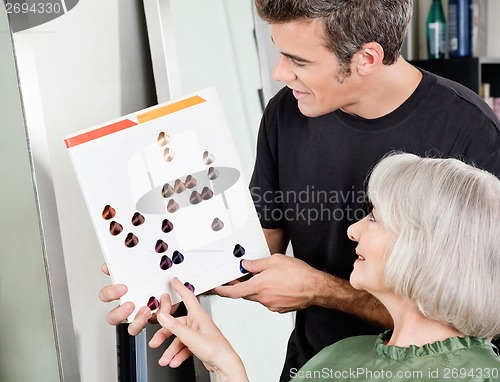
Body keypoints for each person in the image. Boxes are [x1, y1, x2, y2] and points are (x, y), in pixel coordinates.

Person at [99, 0, 500, 379]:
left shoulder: (471, 135)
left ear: (367, 58)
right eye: (281, 52)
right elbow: (254, 255)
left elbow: (474, 319)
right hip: (315, 367)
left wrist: (321, 290)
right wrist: (158, 276)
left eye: (299, 61)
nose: (279, 73)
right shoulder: (287, 113)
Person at [151, 153, 500, 382]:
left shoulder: (477, 375)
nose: (353, 229)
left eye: (374, 218)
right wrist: (223, 364)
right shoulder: (339, 355)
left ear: (424, 246)